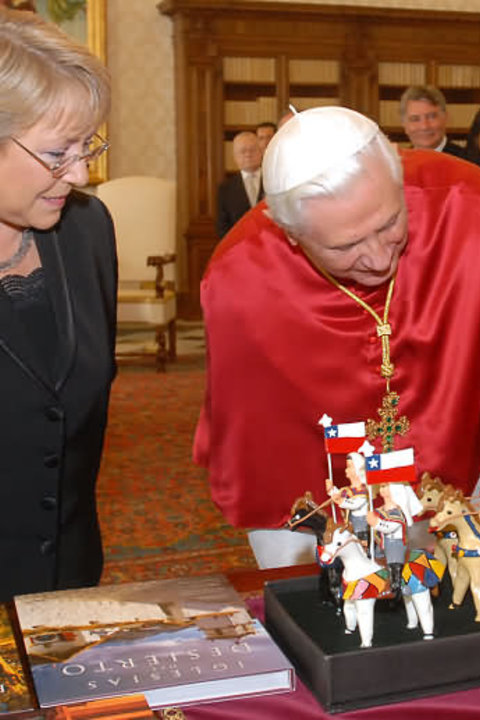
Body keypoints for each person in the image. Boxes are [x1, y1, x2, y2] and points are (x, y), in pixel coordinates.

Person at [194, 104, 480, 568]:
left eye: (389, 224)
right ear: (290, 234)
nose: (376, 259)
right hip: (324, 483)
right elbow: (258, 439)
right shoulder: (239, 279)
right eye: (344, 246)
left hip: (460, 467)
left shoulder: (468, 207)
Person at [0, 7, 117, 600]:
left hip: (70, 587)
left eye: (86, 146)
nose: (78, 173)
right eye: (56, 153)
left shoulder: (88, 231)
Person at [367, 483, 423, 595]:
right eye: (381, 486)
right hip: (382, 542)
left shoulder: (397, 510)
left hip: (395, 543)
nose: (382, 489)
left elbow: (391, 527)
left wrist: (376, 523)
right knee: (373, 557)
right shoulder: (379, 510)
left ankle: (397, 586)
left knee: (394, 565)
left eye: (385, 486)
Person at [216, 131, 263, 239]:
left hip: (270, 248)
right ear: (235, 156)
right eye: (243, 151)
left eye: (252, 150)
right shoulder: (225, 189)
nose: (248, 154)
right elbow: (223, 227)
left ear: (261, 152)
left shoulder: (273, 182)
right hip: (239, 248)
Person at [399, 84, 466, 158]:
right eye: (415, 119)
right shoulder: (396, 164)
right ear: (404, 124)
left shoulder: (469, 162)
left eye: (431, 117)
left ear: (446, 118)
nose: (424, 126)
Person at [326, 452, 369, 546]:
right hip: (350, 521)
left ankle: (365, 547)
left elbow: (355, 504)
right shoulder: (348, 489)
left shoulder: (362, 489)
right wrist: (332, 489)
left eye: (349, 467)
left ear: (358, 469)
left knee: (360, 536)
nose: (346, 470)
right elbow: (339, 495)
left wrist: (340, 500)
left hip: (361, 522)